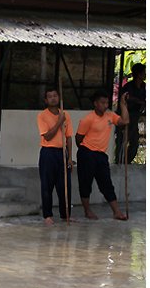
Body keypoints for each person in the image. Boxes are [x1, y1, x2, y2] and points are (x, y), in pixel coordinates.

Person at [76, 89, 129, 221]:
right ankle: (87, 211)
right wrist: (87, 151)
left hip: (101, 155)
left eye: (106, 103)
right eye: (102, 102)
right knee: (85, 183)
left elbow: (125, 121)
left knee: (106, 183)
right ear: (95, 103)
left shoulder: (110, 116)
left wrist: (122, 104)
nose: (105, 105)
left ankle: (116, 212)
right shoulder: (88, 119)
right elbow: (78, 138)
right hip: (86, 153)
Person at [36, 87, 73, 226]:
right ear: (46, 100)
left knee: (65, 185)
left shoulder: (66, 115)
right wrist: (59, 121)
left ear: (59, 98)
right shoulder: (42, 116)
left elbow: (69, 137)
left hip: (62, 152)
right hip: (48, 152)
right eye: (50, 96)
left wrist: (69, 157)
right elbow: (48, 136)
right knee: (47, 185)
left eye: (55, 95)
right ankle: (48, 215)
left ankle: (65, 214)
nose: (53, 98)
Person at [115, 63, 146, 164]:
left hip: (136, 116)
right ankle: (119, 162)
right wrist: (140, 101)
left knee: (134, 143)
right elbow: (126, 98)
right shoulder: (129, 86)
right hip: (126, 116)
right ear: (139, 74)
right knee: (123, 141)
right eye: (144, 72)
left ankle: (126, 162)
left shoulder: (144, 86)